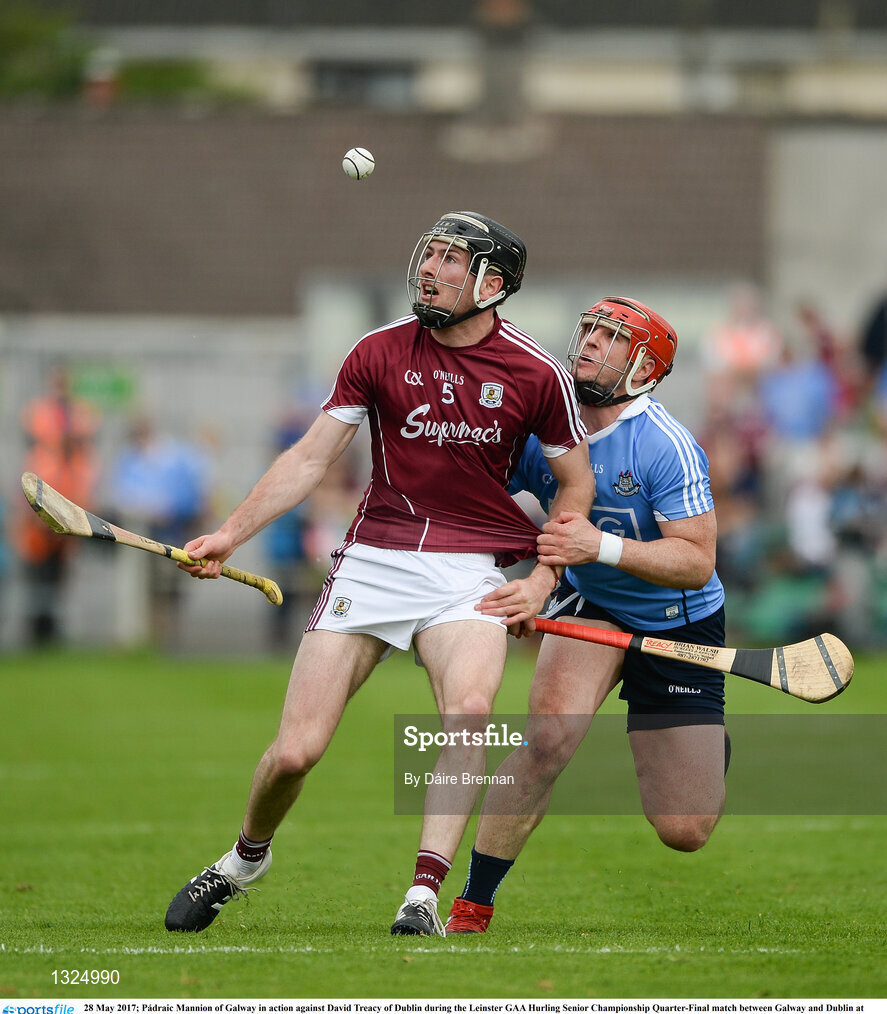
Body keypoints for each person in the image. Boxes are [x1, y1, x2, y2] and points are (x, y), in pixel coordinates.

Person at [163, 211, 594, 937]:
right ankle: (244, 859)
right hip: (376, 556)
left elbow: (575, 492)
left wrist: (543, 582)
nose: (428, 268)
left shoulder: (536, 373)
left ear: (492, 284)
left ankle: (422, 895)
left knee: (469, 711)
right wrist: (231, 534)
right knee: (295, 752)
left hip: (469, 573)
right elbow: (309, 457)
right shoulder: (378, 350)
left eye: (450, 261)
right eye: (428, 254)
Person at [443, 296, 728, 934]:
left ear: (645, 367)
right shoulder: (541, 426)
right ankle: (473, 904)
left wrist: (596, 546)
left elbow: (697, 561)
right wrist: (521, 583)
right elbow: (473, 500)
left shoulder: (665, 446)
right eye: (590, 330)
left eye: (612, 337)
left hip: (677, 617)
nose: (591, 343)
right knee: (545, 743)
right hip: (592, 602)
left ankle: (704, 747)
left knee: (685, 830)